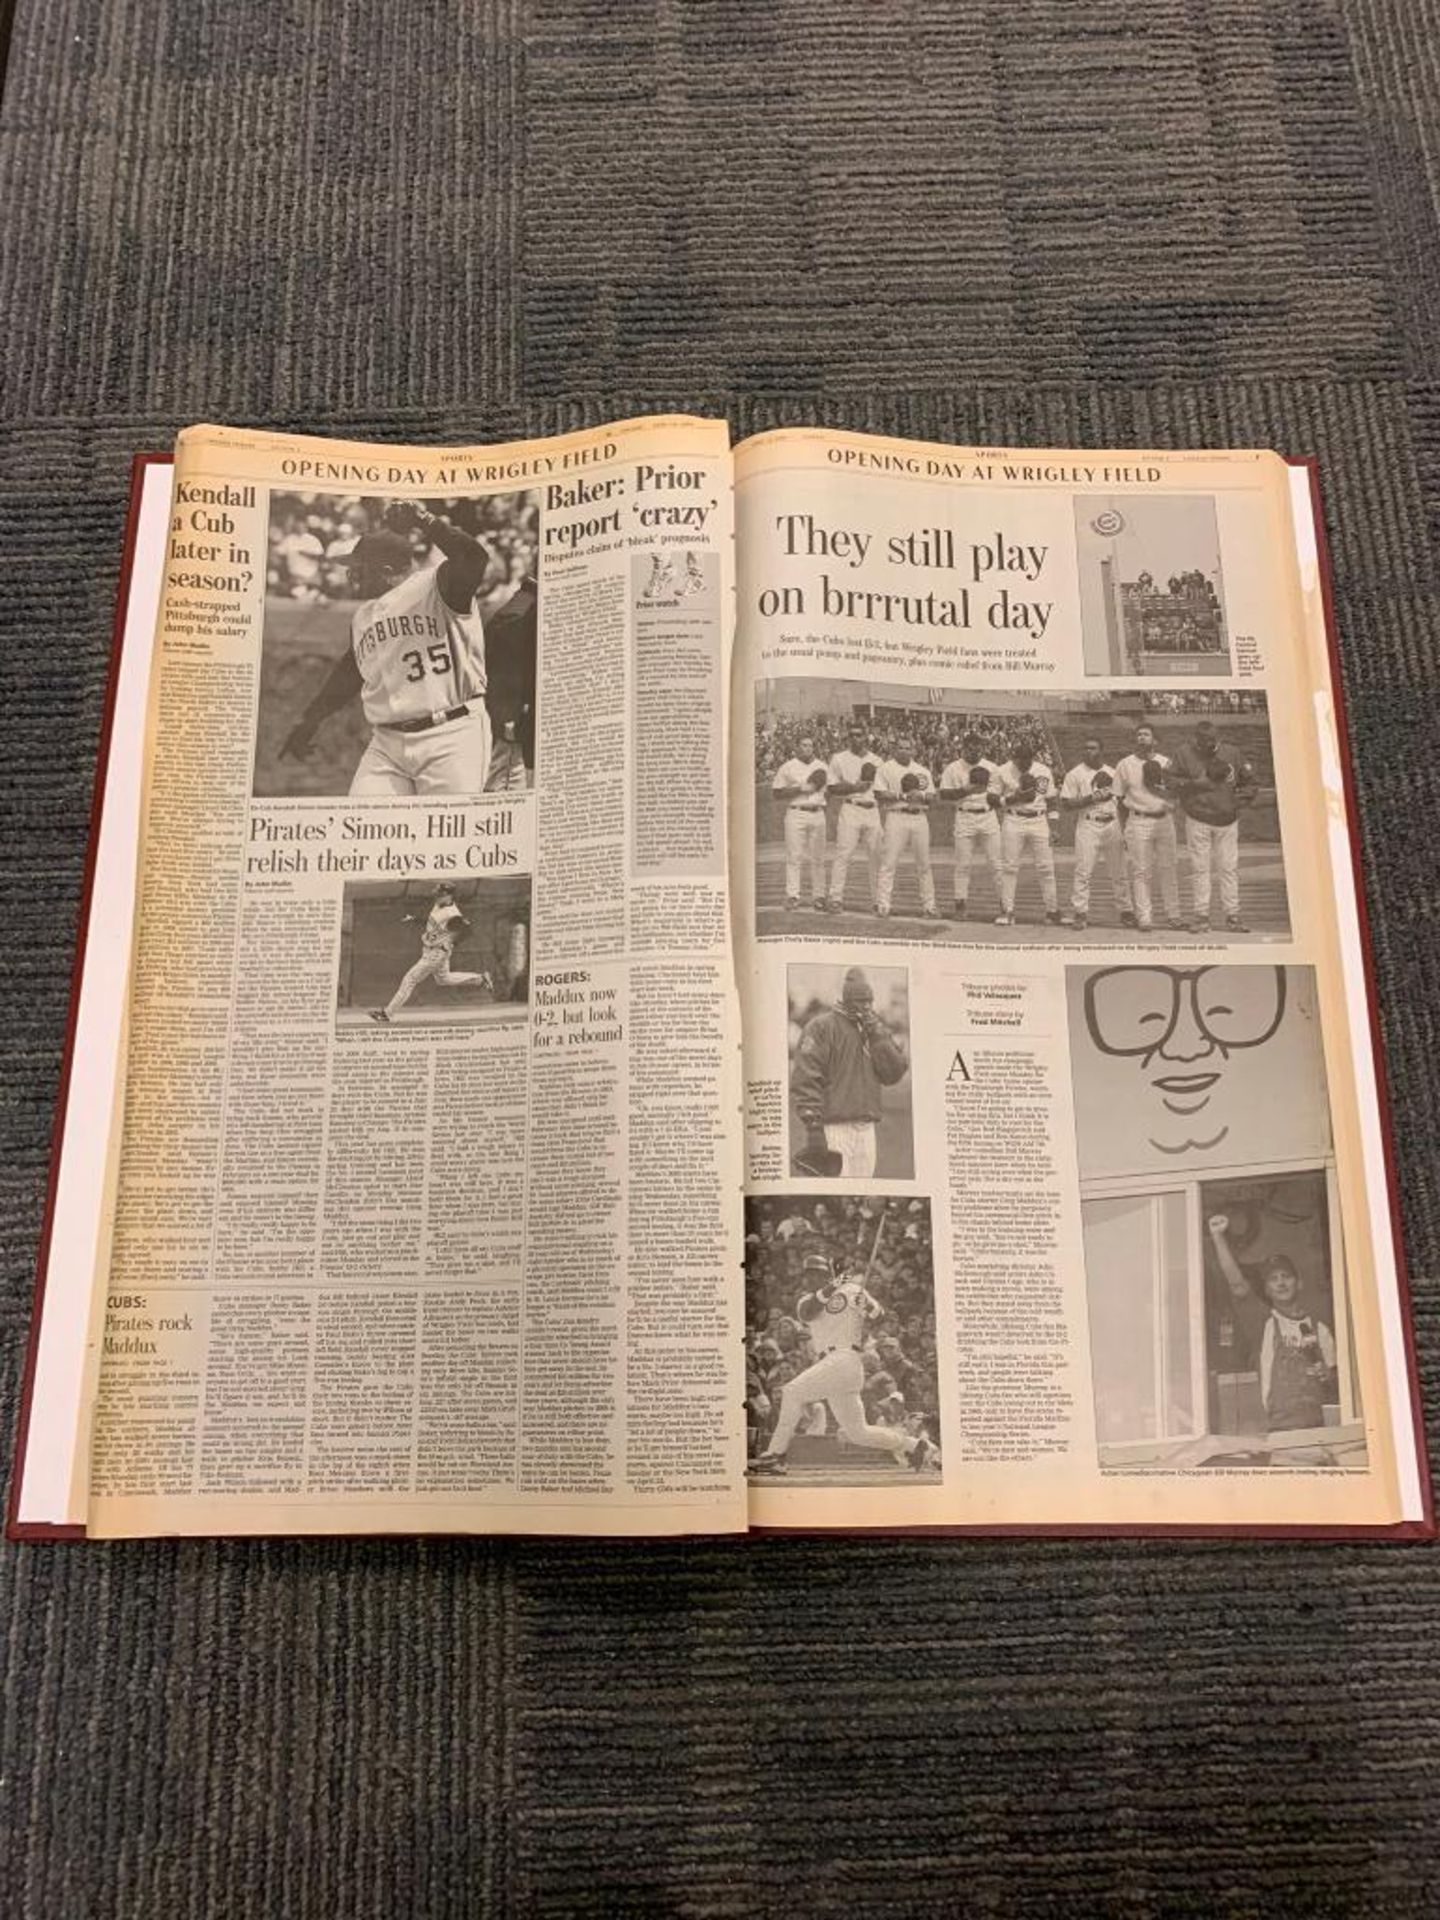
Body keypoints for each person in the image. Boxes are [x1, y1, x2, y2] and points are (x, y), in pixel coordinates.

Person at [280, 502, 494, 795]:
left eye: (358, 569)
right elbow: (350, 672)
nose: (352, 576)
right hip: (387, 745)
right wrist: (311, 720)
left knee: (447, 834)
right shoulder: (363, 616)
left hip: (452, 734)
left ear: (387, 570)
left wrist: (424, 519)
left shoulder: (436, 585)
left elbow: (474, 557)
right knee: (361, 828)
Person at [750, 1252, 938, 1475]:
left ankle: (776, 1455)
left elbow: (881, 1317)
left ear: (827, 1273)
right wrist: (836, 1284)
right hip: (832, 1364)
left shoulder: (853, 1290)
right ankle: (915, 1446)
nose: (809, 1279)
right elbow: (808, 1312)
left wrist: (867, 1306)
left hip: (846, 1358)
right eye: (807, 1274)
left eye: (816, 1273)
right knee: (858, 1432)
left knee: (791, 1392)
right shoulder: (806, 1300)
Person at [1207, 1214, 1338, 1431]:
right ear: (1267, 1289)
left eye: (1286, 1276)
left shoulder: (1320, 1328)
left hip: (1319, 1425)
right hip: (1279, 1428)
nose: (1280, 1283)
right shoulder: (1262, 1322)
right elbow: (1238, 1285)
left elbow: (1335, 1379)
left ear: (1299, 1283)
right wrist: (1218, 1236)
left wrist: (1327, 1375)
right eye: (1273, 1279)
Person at [790, 968, 909, 1178]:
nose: (866, 1007)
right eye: (860, 1001)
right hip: (834, 1128)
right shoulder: (821, 1027)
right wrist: (814, 1128)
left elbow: (894, 1074)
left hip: (867, 1127)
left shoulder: (875, 1029)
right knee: (837, 1187)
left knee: (863, 1189)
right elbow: (805, 1079)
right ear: (846, 1000)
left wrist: (879, 1037)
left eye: (869, 1001)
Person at [1171, 719, 1257, 933]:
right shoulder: (1184, 753)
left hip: (1227, 821)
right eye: (1202, 740)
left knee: (1228, 869)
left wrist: (1237, 802)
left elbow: (1251, 782)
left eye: (1211, 740)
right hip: (1198, 818)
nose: (1207, 744)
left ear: (1217, 738)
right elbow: (1170, 781)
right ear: (1195, 739)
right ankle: (1201, 917)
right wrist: (1193, 784)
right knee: (1200, 870)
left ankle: (1232, 916)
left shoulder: (1232, 753)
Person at [370, 885, 492, 1023]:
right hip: (432, 950)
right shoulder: (438, 905)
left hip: (437, 952)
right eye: (437, 894)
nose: (436, 896)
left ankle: (387, 1014)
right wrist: (414, 918)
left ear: (449, 896)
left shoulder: (453, 914)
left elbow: (468, 931)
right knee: (443, 979)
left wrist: (452, 944)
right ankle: (480, 979)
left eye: (440, 894)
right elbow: (432, 924)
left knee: (410, 979)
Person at [1113, 723, 1183, 932]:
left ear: (1155, 740)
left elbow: (1176, 793)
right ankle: (1144, 918)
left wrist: (1170, 800)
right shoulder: (1124, 764)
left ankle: (1174, 916)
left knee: (1168, 868)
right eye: (1139, 734)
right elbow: (1119, 799)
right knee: (1141, 872)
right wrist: (1124, 829)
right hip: (1138, 820)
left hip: (1164, 820)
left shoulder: (1166, 763)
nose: (1142, 737)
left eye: (1146, 734)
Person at [1059, 736, 1133, 930]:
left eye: (1092, 748)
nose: (1088, 751)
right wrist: (1090, 799)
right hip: (1088, 824)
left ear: (1101, 750)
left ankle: (1126, 911)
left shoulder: (1113, 772)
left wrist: (1126, 830)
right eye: (1085, 748)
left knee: (1119, 872)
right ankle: (1080, 913)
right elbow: (1066, 804)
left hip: (1112, 824)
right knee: (1083, 871)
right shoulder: (1074, 774)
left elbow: (1124, 804)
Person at [937, 730, 1003, 920]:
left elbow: (999, 795)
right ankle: (960, 906)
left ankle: (1005, 905)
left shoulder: (992, 767)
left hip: (988, 816)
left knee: (996, 864)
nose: (975, 751)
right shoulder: (953, 768)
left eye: (979, 747)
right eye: (972, 747)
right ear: (964, 748)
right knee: (963, 865)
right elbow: (944, 795)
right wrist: (964, 791)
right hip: (964, 816)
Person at [994, 742, 1059, 927]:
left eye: (1027, 760)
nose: (1024, 763)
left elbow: (1052, 800)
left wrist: (1053, 826)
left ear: (1033, 758)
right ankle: (1007, 911)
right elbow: (992, 799)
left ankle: (1052, 910)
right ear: (1014, 758)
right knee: (1010, 867)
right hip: (1013, 819)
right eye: (1020, 760)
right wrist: (1014, 798)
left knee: (1046, 867)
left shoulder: (1043, 770)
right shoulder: (1002, 770)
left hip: (1039, 820)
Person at [875, 735, 938, 919]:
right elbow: (879, 793)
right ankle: (883, 905)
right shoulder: (886, 768)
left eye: (907, 747)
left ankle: (929, 906)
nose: (904, 750)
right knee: (888, 863)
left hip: (919, 817)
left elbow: (933, 796)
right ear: (895, 749)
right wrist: (902, 796)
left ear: (913, 750)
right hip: (896, 816)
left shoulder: (922, 770)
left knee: (924, 864)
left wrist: (922, 795)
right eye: (900, 747)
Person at [824, 721, 883, 912]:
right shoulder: (839, 758)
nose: (855, 738)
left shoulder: (877, 761)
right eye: (852, 735)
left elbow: (883, 789)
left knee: (876, 857)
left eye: (859, 735)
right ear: (848, 737)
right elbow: (832, 787)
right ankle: (835, 898)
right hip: (851, 808)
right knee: (843, 855)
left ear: (866, 736)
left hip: (872, 810)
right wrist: (854, 787)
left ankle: (878, 901)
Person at [770, 733, 830, 910]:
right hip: (796, 813)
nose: (807, 748)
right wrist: (800, 789)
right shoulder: (787, 767)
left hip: (817, 813)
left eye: (810, 745)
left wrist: (821, 803)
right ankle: (792, 896)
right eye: (803, 745)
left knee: (818, 858)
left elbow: (830, 790)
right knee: (794, 857)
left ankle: (819, 896)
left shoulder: (822, 766)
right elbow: (776, 793)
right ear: (796, 747)